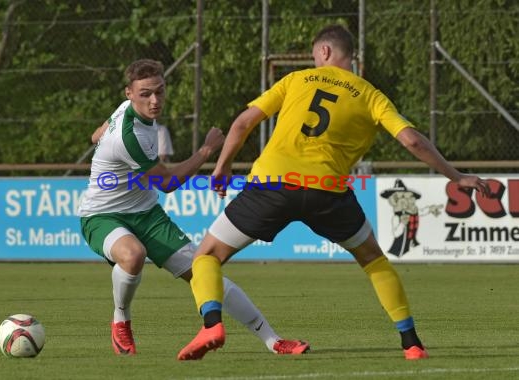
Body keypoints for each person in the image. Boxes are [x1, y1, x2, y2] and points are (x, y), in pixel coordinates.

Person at [177, 25, 492, 361]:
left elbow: (242, 123)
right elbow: (412, 140)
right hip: (327, 192)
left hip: (271, 185)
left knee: (207, 256)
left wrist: (223, 165)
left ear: (324, 52)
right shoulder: (371, 94)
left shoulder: (296, 80)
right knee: (374, 260)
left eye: (315, 54)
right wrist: (455, 176)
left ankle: (212, 323)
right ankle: (411, 343)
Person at [78, 59, 309, 356]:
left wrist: (102, 139)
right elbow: (168, 183)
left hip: (147, 215)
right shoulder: (129, 135)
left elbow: (95, 135)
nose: (155, 100)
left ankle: (273, 341)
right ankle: (121, 319)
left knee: (205, 272)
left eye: (160, 91)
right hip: (102, 215)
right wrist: (207, 150)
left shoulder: (125, 112)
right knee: (133, 255)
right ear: (129, 93)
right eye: (146, 94)